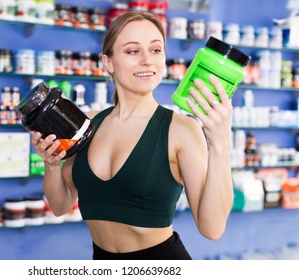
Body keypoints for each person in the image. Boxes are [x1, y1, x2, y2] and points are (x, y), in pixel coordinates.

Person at [31, 10, 234, 260]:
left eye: (156, 50)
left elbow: (212, 228)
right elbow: (60, 206)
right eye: (133, 51)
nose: (148, 60)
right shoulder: (88, 123)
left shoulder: (180, 129)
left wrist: (221, 142)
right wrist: (51, 165)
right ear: (108, 63)